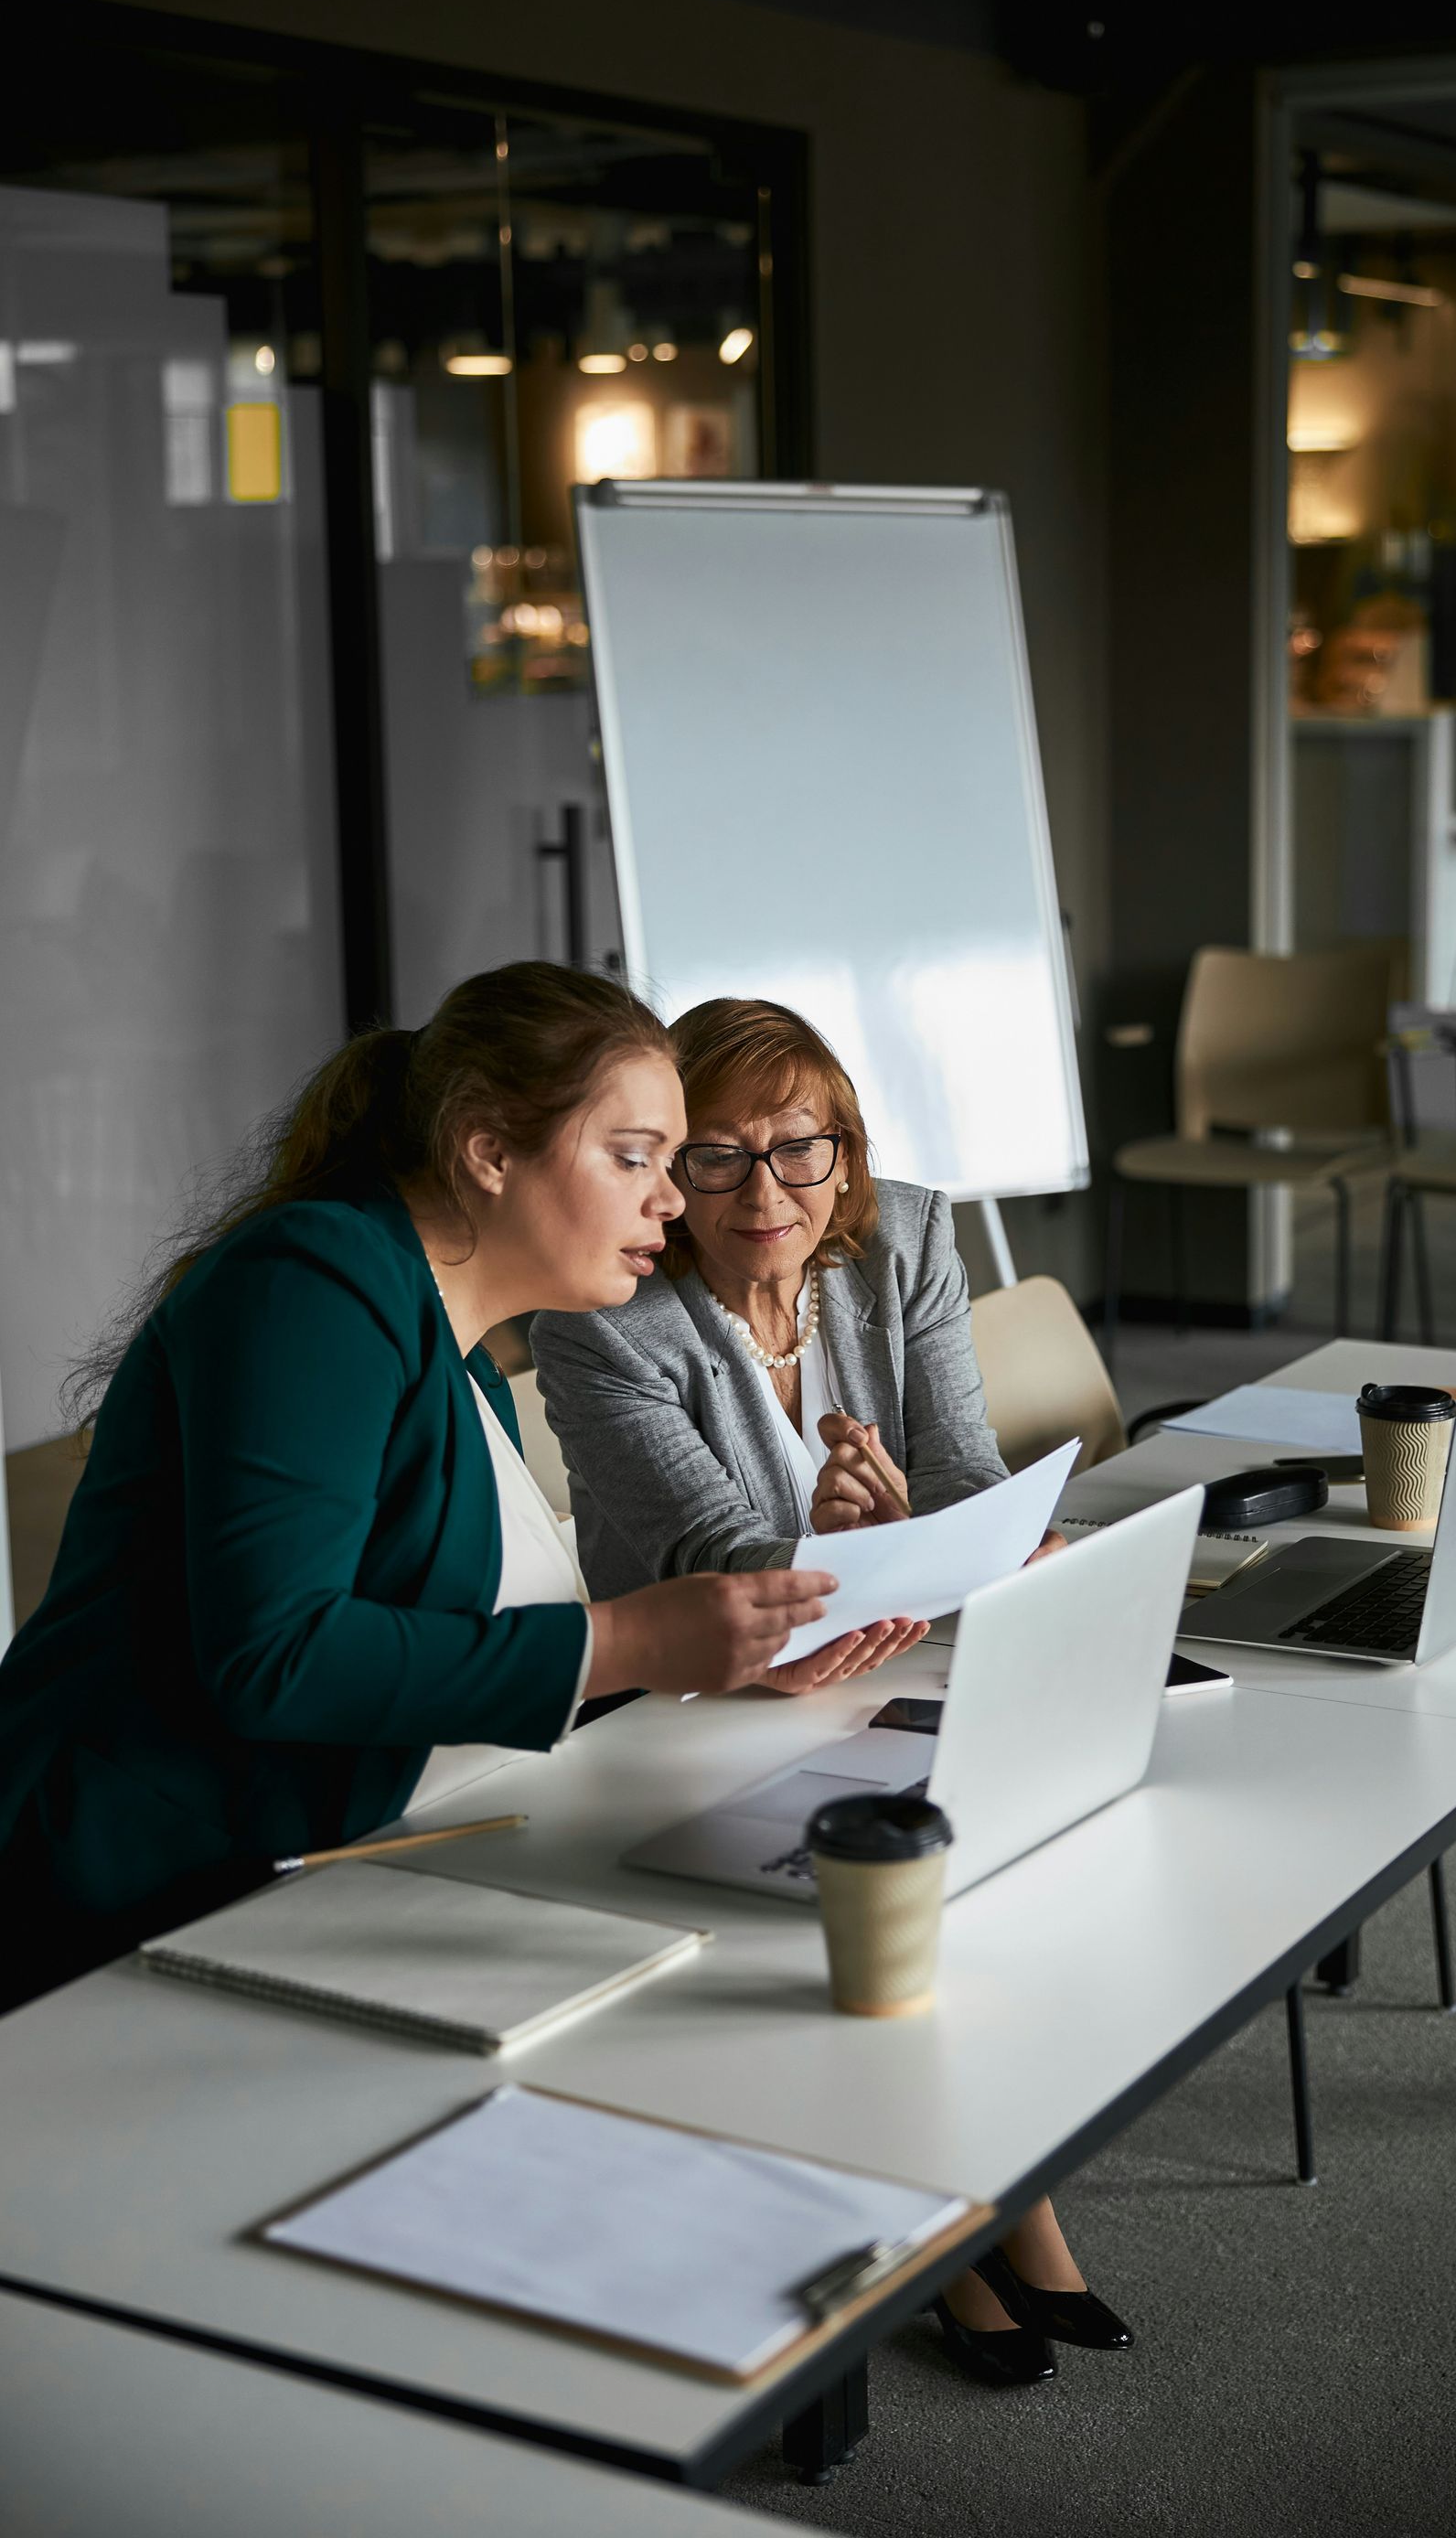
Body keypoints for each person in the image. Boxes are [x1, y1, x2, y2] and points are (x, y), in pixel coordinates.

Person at [0, 964, 881, 2017]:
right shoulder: (311, 1280)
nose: (673, 1198)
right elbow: (277, 1656)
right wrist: (633, 1644)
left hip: (341, 1864)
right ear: (490, 1148)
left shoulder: (460, 1354)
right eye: (635, 1156)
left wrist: (713, 1655)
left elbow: (447, 1657)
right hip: (139, 1906)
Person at [531, 994, 1133, 2387]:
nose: (766, 1191)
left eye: (799, 1150)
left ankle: (982, 2201)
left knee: (995, 1820)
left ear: (847, 1160)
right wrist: (850, 1552)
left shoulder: (906, 1239)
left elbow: (969, 1470)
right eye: (718, 1157)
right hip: (690, 1704)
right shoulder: (606, 1318)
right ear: (667, 1170)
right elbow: (706, 1555)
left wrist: (930, 1525)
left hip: (884, 1657)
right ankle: (974, 2218)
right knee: (905, 1856)